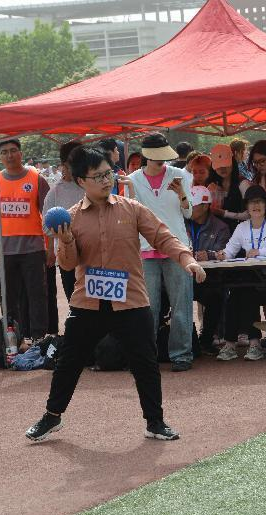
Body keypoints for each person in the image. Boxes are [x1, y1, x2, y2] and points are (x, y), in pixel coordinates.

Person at [25, 146, 206, 443]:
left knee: (145, 362)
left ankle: (155, 422)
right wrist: (66, 240)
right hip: (88, 303)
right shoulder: (71, 217)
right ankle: (52, 416)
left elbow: (162, 236)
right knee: (69, 361)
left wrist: (187, 260)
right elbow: (67, 264)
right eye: (97, 176)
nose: (106, 180)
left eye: (108, 173)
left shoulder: (131, 208)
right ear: (81, 181)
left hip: (130, 300)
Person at [128, 133, 196, 372]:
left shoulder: (179, 174)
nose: (161, 162)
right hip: (145, 249)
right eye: (157, 157)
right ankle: (146, 356)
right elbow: (130, 217)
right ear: (146, 156)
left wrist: (181, 193)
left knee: (181, 305)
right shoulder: (132, 180)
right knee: (148, 309)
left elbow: (189, 213)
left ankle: (182, 355)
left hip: (177, 248)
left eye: (163, 157)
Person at [0, 138, 51, 343]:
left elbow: (47, 216)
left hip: (33, 249)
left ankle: (38, 339)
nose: (9, 155)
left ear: (21, 153)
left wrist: (50, 247)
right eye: (4, 152)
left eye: (13, 150)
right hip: (5, 251)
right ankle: (13, 340)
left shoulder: (37, 179)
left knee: (37, 295)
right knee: (7, 297)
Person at [216, 186, 266, 361]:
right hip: (251, 279)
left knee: (244, 292)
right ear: (247, 207)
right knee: (236, 294)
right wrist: (221, 255)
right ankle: (234, 344)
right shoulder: (241, 227)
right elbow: (229, 251)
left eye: (259, 202)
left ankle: (251, 343)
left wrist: (260, 251)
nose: (256, 205)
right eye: (251, 202)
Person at [186, 187, 230, 354]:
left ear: (205, 206)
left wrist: (209, 254)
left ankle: (205, 340)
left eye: (193, 205)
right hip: (183, 276)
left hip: (208, 278)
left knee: (216, 297)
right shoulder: (181, 222)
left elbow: (223, 252)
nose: (188, 208)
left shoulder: (220, 227)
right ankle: (187, 341)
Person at [43, 140, 84, 302]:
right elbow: (46, 227)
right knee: (74, 300)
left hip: (93, 254)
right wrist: (66, 234)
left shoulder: (90, 185)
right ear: (64, 164)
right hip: (66, 256)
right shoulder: (55, 193)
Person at [207, 143, 250, 232]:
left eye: (226, 165)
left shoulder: (243, 183)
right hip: (217, 232)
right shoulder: (212, 184)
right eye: (219, 166)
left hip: (239, 231)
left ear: (232, 163)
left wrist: (224, 213)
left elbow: (250, 213)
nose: (222, 169)